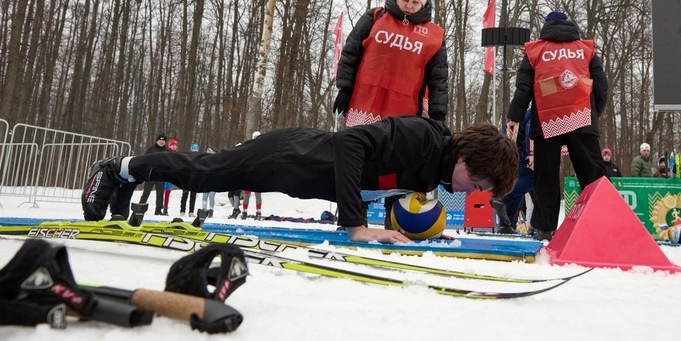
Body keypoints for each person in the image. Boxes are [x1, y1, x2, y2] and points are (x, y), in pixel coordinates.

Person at [82, 116, 519, 244]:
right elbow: (350, 144)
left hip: (295, 172)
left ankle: (122, 180)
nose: (472, 194)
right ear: (465, 156)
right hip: (287, 154)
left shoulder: (431, 171)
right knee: (205, 175)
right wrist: (355, 226)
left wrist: (404, 231)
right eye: (477, 182)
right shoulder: (422, 137)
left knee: (206, 174)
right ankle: (117, 169)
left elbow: (385, 187)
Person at [334, 0, 448, 227]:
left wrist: (438, 114)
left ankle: (395, 218)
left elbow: (439, 78)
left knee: (400, 165)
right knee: (358, 161)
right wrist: (344, 90)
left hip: (404, 111)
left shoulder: (433, 34)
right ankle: (352, 216)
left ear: (423, 3)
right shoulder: (374, 18)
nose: (408, 6)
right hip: (366, 103)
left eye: (414, 1)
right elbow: (351, 53)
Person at [506, 11, 608, 241]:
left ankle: (544, 227)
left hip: (546, 118)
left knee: (546, 174)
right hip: (581, 114)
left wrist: (514, 117)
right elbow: (601, 85)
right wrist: (593, 114)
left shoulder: (535, 50)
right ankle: (605, 219)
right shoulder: (585, 48)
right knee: (592, 173)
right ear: (569, 25)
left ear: (545, 28)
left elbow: (524, 88)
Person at [491, 108, 534, 234]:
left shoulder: (525, 112)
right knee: (532, 180)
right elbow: (530, 129)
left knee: (519, 186)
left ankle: (506, 224)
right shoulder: (537, 110)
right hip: (524, 151)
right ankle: (503, 199)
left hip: (516, 150)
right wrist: (531, 153)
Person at [229, 131, 263, 219]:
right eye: (255, 137)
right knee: (247, 193)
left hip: (258, 173)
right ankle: (244, 211)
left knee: (257, 194)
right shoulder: (250, 146)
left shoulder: (263, 147)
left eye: (258, 137)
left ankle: (258, 212)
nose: (256, 138)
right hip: (250, 173)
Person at [137, 133, 168, 215]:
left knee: (160, 194)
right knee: (146, 192)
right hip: (151, 175)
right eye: (160, 140)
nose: (161, 142)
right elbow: (144, 159)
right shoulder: (151, 149)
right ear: (157, 141)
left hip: (161, 175)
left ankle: (158, 210)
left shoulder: (167, 151)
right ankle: (140, 208)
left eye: (163, 140)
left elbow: (169, 163)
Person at [180, 143, 200, 217]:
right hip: (186, 179)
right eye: (193, 148)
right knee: (184, 195)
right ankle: (182, 210)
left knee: (193, 196)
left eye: (196, 149)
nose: (195, 150)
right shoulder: (187, 157)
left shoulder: (199, 158)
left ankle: (191, 211)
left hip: (194, 179)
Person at [201, 147, 217, 218]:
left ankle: (211, 210)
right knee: (204, 196)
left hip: (213, 182)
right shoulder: (205, 164)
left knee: (211, 196)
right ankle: (204, 210)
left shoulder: (217, 164)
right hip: (206, 182)